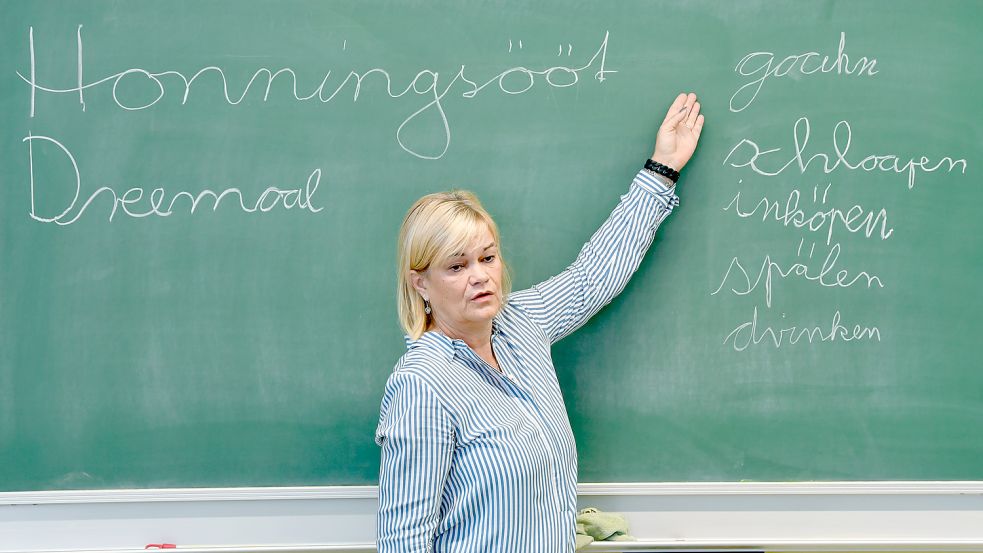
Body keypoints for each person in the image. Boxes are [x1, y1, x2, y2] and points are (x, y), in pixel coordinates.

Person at [376, 93, 705, 552]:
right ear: (421, 284)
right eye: (456, 266)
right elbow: (403, 543)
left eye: (487, 257)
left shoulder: (520, 325)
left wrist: (662, 169)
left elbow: (593, 277)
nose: (479, 276)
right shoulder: (423, 386)